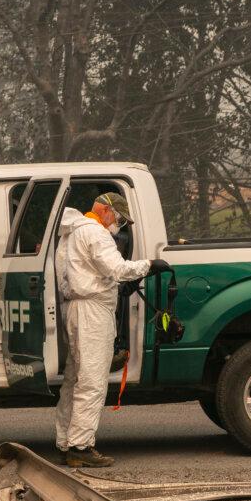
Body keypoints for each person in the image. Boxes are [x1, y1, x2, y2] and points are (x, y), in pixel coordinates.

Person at [54, 193, 171, 467]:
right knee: (92, 381)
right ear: (106, 210)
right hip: (93, 311)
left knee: (73, 380)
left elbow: (76, 273)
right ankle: (80, 446)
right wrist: (150, 266)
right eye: (118, 218)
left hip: (75, 308)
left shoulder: (70, 233)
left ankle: (64, 441)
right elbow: (117, 268)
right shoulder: (96, 233)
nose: (118, 225)